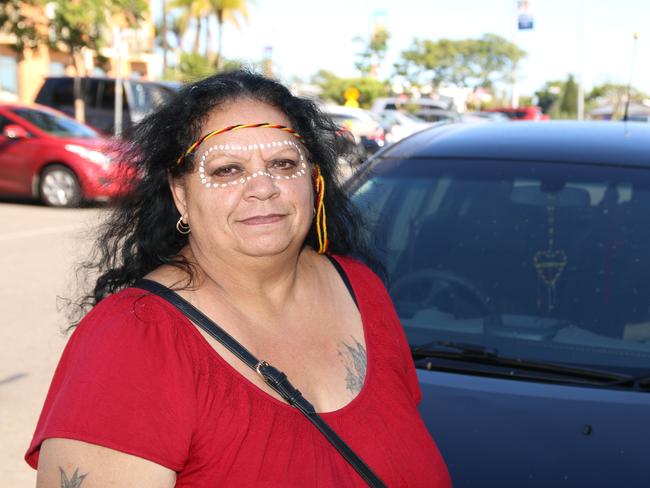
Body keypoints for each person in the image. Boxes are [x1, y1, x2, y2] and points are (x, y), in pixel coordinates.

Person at [25, 70, 451, 487]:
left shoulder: (362, 289)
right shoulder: (132, 339)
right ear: (180, 195)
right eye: (227, 170)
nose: (262, 187)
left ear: (314, 179)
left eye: (283, 164)